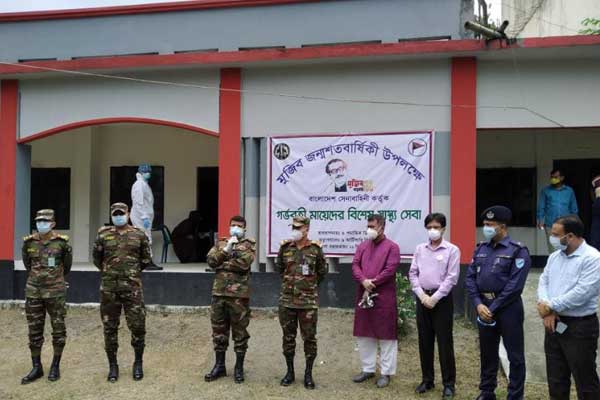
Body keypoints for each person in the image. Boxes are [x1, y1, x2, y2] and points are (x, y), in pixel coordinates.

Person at [465, 206, 531, 400]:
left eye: (489, 225)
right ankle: (487, 391)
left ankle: (515, 395)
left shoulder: (518, 250)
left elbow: (515, 286)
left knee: (515, 356)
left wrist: (492, 308)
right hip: (483, 306)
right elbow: (469, 279)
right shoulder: (481, 249)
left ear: (502, 227)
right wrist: (478, 304)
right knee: (487, 353)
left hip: (508, 309)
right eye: (484, 224)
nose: (485, 228)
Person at [537, 214, 600, 399]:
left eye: (556, 234)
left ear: (570, 236)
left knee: (585, 380)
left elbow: (583, 292)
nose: (552, 237)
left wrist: (550, 306)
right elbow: (543, 280)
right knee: (556, 380)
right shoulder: (554, 257)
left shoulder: (592, 258)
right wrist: (547, 308)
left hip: (580, 328)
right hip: (553, 324)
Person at [93, 202, 152, 382]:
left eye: (121, 213)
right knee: (110, 328)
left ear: (128, 214)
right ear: (111, 214)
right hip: (109, 289)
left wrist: (131, 274)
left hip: (132, 289)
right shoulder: (103, 235)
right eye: (115, 213)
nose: (118, 216)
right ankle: (113, 366)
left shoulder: (138, 235)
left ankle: (138, 363)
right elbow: (97, 259)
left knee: (137, 326)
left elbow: (145, 259)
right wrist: (110, 273)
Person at [409, 213, 459, 398]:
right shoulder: (420, 249)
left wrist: (435, 298)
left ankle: (448, 384)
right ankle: (427, 380)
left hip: (442, 301)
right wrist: (422, 295)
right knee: (425, 341)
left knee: (445, 343)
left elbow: (452, 278)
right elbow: (413, 273)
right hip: (423, 298)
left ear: (444, 229)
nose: (432, 230)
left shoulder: (452, 250)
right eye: (429, 227)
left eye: (436, 227)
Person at [20, 209, 72, 384]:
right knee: (34, 331)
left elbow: (67, 266)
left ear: (53, 224)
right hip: (34, 292)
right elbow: (28, 264)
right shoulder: (29, 243)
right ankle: (37, 367)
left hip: (55, 292)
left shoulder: (61, 243)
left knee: (58, 330)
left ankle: (55, 365)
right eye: (38, 221)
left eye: (45, 221)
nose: (41, 223)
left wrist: (53, 279)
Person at [276, 216, 327, 389]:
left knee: (309, 339)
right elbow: (280, 270)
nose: (295, 230)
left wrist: (308, 288)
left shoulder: (315, 250)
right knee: (288, 338)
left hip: (307, 303)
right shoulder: (285, 248)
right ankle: (290, 372)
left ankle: (308, 374)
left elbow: (321, 272)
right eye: (294, 227)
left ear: (306, 229)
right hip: (287, 302)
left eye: (299, 227)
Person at [204, 215, 256, 384]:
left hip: (238, 297)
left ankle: (239, 368)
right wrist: (226, 250)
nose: (235, 228)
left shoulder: (249, 245)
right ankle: (219, 366)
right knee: (219, 332)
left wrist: (223, 262)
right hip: (219, 294)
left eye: (239, 226)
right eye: (233, 225)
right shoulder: (220, 243)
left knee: (240, 333)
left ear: (244, 229)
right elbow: (211, 261)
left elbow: (244, 264)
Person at [351, 214, 400, 389]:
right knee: (364, 334)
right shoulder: (362, 246)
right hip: (363, 294)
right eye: (368, 226)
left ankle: (386, 373)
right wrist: (363, 280)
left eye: (372, 226)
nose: (369, 229)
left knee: (386, 335)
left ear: (382, 227)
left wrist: (373, 282)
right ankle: (368, 369)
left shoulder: (392, 247)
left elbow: (390, 269)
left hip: (384, 297)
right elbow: (355, 265)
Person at [537, 169, 579, 254]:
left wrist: (575, 221)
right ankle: (554, 266)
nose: (553, 179)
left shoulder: (569, 191)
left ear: (562, 178)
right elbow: (541, 207)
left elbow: (573, 208)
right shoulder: (545, 190)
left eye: (555, 177)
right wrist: (540, 220)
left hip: (566, 224)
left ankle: (566, 266)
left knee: (566, 247)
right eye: (552, 177)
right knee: (552, 248)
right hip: (550, 224)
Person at [130, 163, 162, 270]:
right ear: (140, 172)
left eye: (149, 171)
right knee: (145, 238)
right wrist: (144, 217)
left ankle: (145, 260)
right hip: (141, 216)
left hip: (143, 215)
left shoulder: (143, 183)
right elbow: (139, 202)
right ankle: (147, 261)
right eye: (146, 171)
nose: (148, 173)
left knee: (145, 238)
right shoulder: (139, 184)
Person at [590, 175, 600, 251]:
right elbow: (591, 191)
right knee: (596, 235)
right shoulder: (596, 179)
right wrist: (595, 202)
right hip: (597, 206)